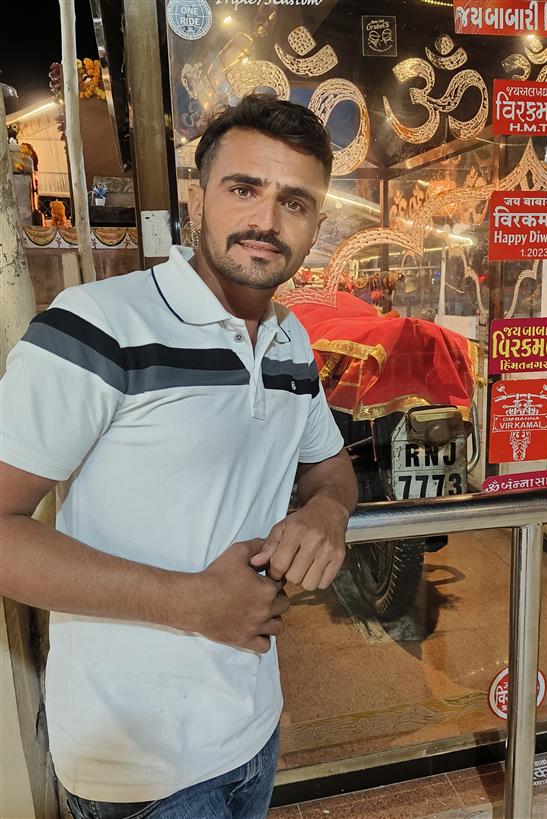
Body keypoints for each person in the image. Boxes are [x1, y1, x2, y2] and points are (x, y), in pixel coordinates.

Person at [0, 94, 357, 819]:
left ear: (317, 226)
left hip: (253, 731)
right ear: (197, 199)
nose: (266, 220)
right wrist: (189, 602)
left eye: (294, 201)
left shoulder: (290, 341)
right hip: (138, 767)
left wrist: (326, 514)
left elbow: (331, 469)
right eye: (243, 188)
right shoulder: (99, 326)